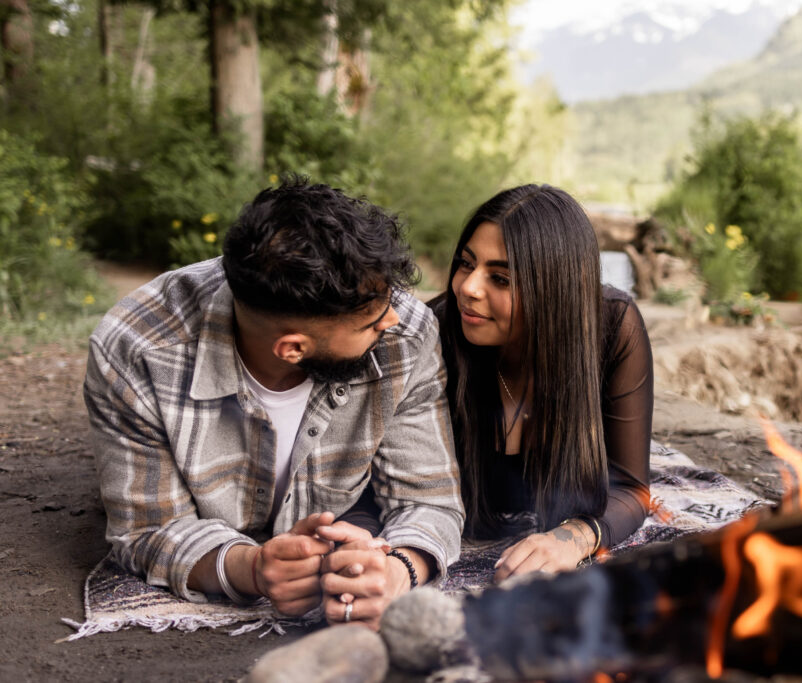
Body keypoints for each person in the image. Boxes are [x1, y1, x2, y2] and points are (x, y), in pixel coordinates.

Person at [83, 177, 464, 628]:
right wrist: (253, 569)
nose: (394, 318)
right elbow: (148, 528)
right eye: (373, 323)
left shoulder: (404, 332)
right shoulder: (137, 351)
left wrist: (399, 569)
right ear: (292, 349)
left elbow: (430, 499)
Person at [428, 184, 653, 581]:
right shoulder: (434, 337)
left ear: (554, 289)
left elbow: (632, 488)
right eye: (466, 263)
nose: (468, 288)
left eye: (499, 278)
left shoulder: (612, 327)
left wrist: (573, 537)